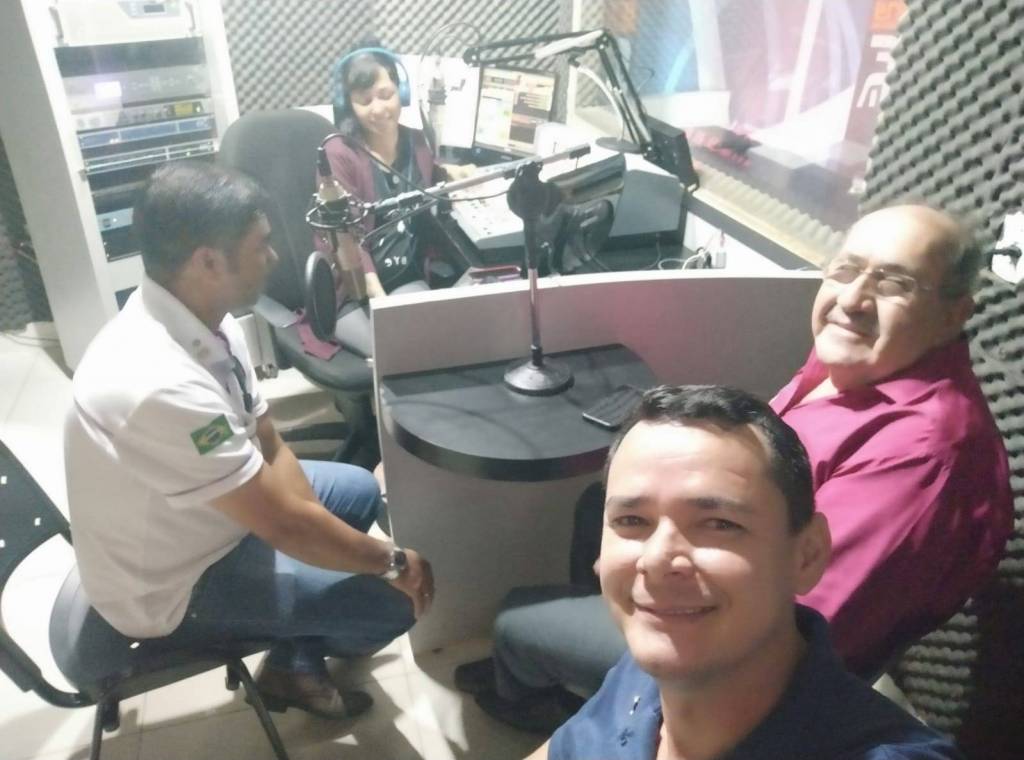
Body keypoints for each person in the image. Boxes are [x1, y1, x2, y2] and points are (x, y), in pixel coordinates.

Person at [461, 203, 1013, 731]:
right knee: (595, 507)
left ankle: (540, 698)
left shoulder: (925, 454)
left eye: (894, 284)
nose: (853, 300)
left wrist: (656, 597)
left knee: (517, 620)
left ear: (955, 312)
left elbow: (794, 631)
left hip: (733, 655)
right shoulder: (851, 363)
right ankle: (597, 680)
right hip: (722, 568)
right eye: (846, 270)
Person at [65, 161, 434, 720]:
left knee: (356, 492)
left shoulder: (206, 319)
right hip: (176, 584)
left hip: (209, 518)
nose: (275, 256)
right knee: (392, 603)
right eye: (261, 245)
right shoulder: (156, 383)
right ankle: (294, 651)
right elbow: (282, 524)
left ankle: (292, 660)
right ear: (208, 262)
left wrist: (314, 532)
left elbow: (270, 443)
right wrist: (392, 563)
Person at [528, 385, 965, 760]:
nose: (656, 560)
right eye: (631, 521)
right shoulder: (647, 666)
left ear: (807, 556)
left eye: (719, 524)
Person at [319, 42, 455, 357]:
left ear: (401, 91)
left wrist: (453, 174)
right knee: (395, 354)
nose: (378, 109)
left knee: (435, 344)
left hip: (403, 277)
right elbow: (347, 238)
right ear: (348, 105)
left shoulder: (417, 142)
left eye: (385, 94)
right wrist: (382, 305)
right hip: (353, 290)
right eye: (365, 100)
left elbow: (431, 180)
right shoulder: (338, 153)